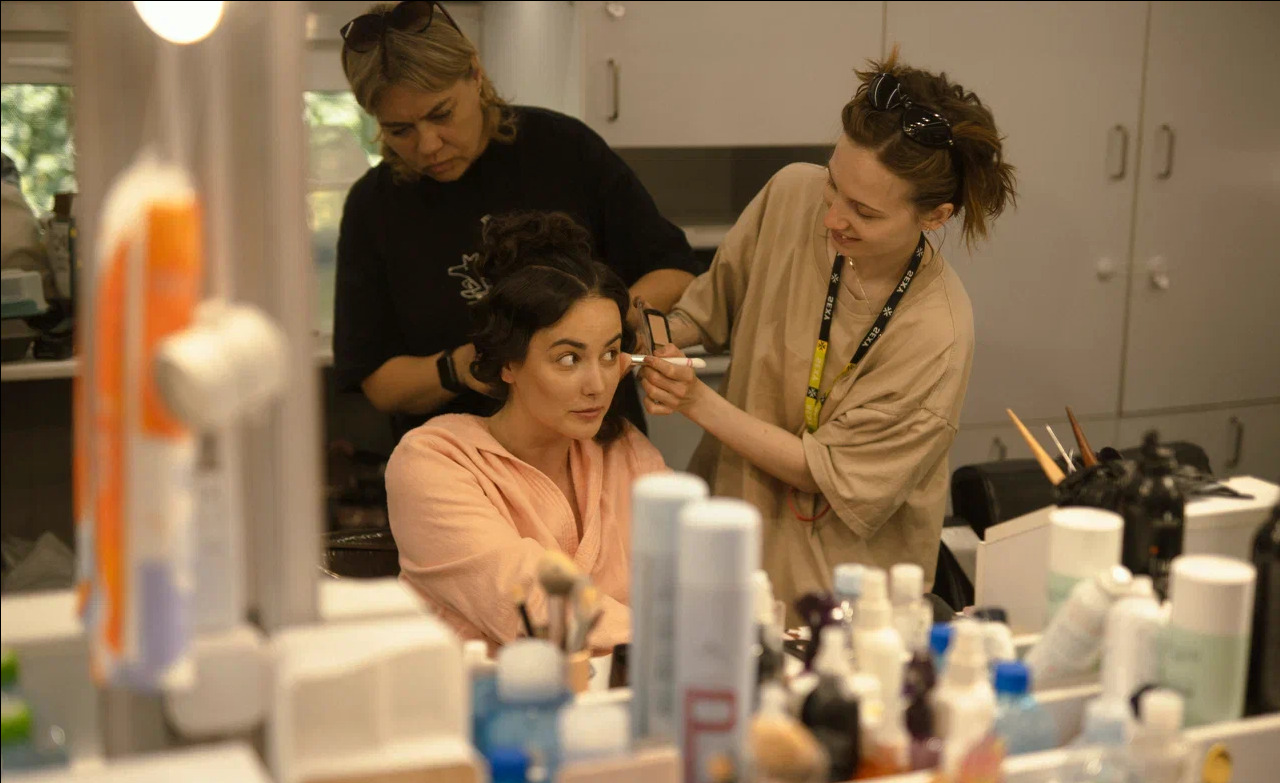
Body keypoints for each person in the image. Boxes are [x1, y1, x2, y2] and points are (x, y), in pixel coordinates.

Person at [636, 51, 1017, 615]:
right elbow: (709, 310)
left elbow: (823, 471)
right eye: (834, 185)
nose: (834, 217)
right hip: (729, 531)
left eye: (864, 212)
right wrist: (653, 335)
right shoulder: (792, 194)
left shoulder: (936, 332)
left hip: (839, 594)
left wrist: (695, 401)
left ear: (935, 216)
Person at [333, 0, 699, 440]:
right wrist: (459, 366)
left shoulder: (564, 150)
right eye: (399, 130)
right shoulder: (373, 207)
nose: (428, 145)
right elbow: (379, 382)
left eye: (441, 114)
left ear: (475, 73)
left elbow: (674, 272)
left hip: (596, 444)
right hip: (459, 458)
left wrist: (597, 329)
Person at [385, 212, 668, 648]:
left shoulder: (627, 451)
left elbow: (688, 581)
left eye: (610, 355)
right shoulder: (432, 463)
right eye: (569, 359)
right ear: (508, 364)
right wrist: (678, 641)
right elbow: (537, 607)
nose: (597, 385)